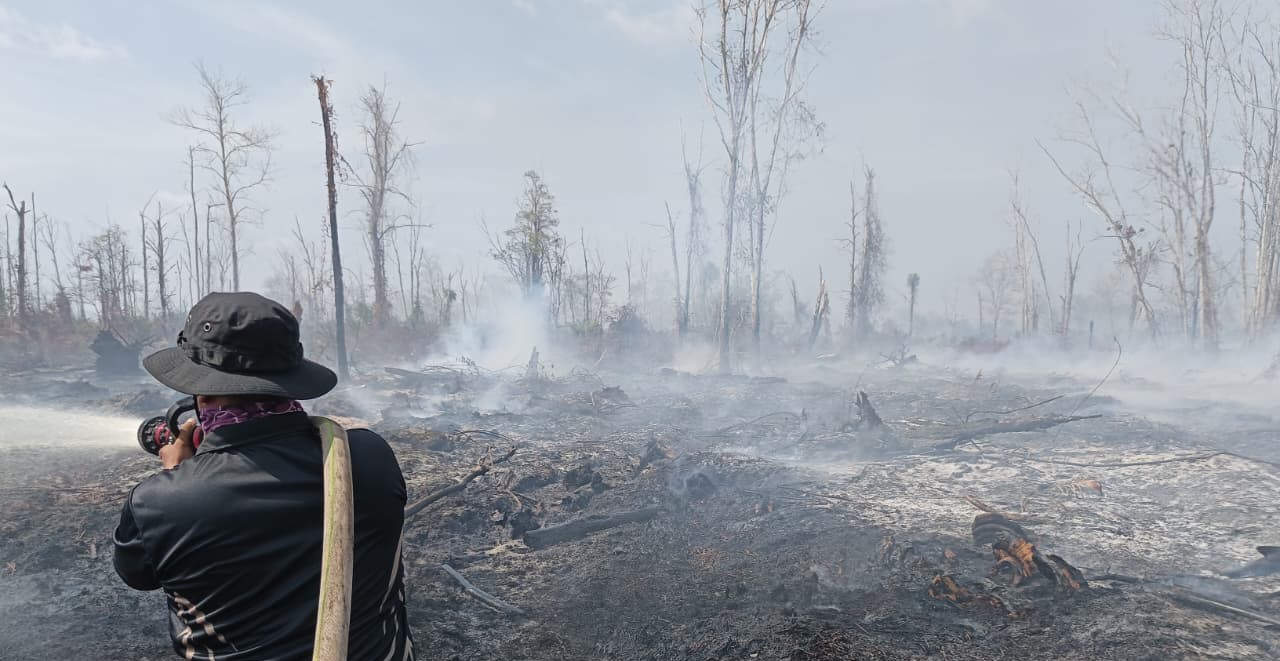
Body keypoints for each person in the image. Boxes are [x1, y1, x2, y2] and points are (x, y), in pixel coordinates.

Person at [113, 292, 414, 660]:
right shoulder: (369, 458)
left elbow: (137, 573)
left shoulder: (156, 504)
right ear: (289, 379)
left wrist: (176, 477)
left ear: (202, 397)